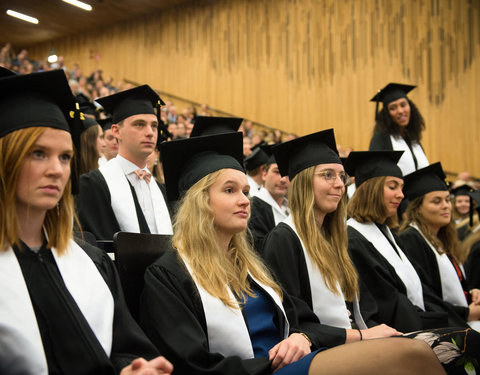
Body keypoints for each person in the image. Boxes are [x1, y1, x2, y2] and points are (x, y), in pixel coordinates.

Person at [139, 132, 446, 375]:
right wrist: (274, 362)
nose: (245, 200)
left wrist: (300, 338)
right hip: (268, 370)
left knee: (422, 351)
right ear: (199, 202)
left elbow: (297, 321)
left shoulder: (250, 267)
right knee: (411, 354)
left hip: (295, 361)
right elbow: (193, 365)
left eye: (246, 191)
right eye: (230, 190)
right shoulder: (169, 275)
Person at [0, 69, 173, 375]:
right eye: (39, 154)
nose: (57, 170)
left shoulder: (90, 261)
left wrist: (130, 369)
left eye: (65, 157)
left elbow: (123, 347)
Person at [262, 132, 404, 346]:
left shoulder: (335, 239)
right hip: (317, 354)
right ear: (303, 183)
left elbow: (362, 311)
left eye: (341, 176)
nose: (340, 184)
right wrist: (363, 336)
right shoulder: (283, 240)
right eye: (327, 175)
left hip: (348, 345)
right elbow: (296, 325)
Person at [346, 153, 476, 331]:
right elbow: (391, 304)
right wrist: (450, 323)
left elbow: (421, 292)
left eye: (401, 187)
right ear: (370, 189)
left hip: (417, 323)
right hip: (396, 336)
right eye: (393, 187)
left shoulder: (389, 235)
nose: (401, 195)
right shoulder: (354, 240)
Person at [76, 85, 172, 240]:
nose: (150, 132)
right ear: (116, 131)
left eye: (154, 125)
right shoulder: (93, 185)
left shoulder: (161, 190)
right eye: (139, 124)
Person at [398, 163, 480, 330]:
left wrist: (471, 292)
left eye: (447, 200)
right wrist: (465, 313)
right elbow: (424, 295)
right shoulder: (411, 239)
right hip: (443, 326)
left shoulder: (442, 237)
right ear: (418, 208)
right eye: (437, 201)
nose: (446, 206)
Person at [369, 83, 429, 175]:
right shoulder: (381, 139)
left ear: (410, 107)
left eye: (403, 105)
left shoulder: (413, 140)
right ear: (387, 114)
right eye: (393, 108)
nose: (400, 111)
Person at [248, 152, 290, 252]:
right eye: (277, 172)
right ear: (264, 174)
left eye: (288, 174)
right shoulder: (253, 208)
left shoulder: (290, 208)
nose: (283, 179)